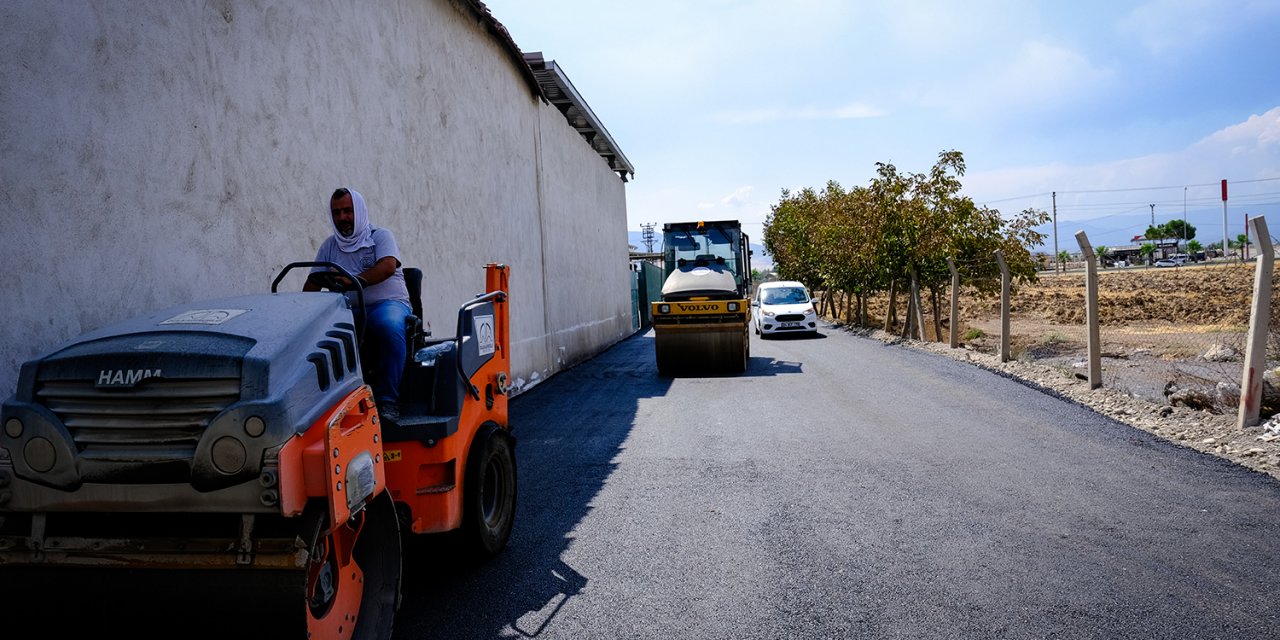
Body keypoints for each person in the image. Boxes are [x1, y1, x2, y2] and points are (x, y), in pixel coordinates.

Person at [304, 187, 411, 423]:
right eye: (336, 213)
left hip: (387, 304)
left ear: (359, 211)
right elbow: (313, 282)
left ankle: (387, 400)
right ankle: (331, 403)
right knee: (319, 334)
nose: (342, 217)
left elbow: (388, 266)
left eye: (347, 211)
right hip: (348, 309)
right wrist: (302, 310)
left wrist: (354, 281)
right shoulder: (329, 246)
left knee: (388, 326)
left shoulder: (380, 237)